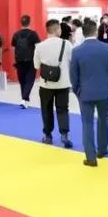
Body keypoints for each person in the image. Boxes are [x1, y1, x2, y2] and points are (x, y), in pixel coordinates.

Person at [70, 18, 108, 167]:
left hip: (85, 93)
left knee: (87, 123)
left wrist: (77, 90)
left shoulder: (76, 51)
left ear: (83, 33)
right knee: (103, 120)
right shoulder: (107, 49)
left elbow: (73, 75)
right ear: (96, 31)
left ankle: (91, 157)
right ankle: (102, 149)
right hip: (104, 92)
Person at [33, 19, 73, 148]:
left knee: (46, 109)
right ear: (58, 30)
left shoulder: (40, 46)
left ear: (47, 30)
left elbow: (36, 65)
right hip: (63, 83)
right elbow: (72, 61)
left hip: (46, 84)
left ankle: (48, 135)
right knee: (63, 109)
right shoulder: (67, 44)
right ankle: (64, 135)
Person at [11, 15, 41, 109]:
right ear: (29, 22)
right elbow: (38, 47)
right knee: (30, 80)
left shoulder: (16, 34)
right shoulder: (33, 34)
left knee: (22, 80)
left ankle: (24, 99)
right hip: (31, 60)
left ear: (21, 22)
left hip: (19, 60)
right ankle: (24, 99)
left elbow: (13, 48)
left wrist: (15, 59)